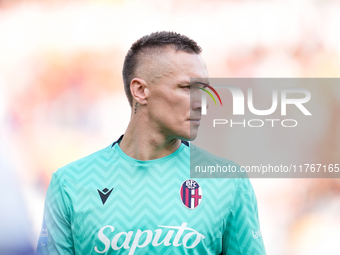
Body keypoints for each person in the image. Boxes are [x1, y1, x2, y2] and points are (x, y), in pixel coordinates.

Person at [36, 31, 266, 255]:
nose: (202, 104)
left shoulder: (228, 181)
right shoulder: (70, 183)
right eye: (187, 88)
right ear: (140, 90)